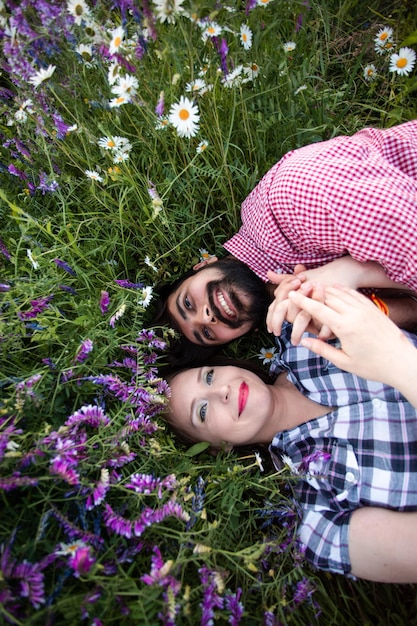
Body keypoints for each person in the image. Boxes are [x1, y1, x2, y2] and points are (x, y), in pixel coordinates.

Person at [166, 321, 417, 583]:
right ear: (218, 449)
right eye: (203, 411)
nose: (222, 391)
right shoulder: (318, 523)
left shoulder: (301, 331)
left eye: (209, 376)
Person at [156, 120, 417, 346]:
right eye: (206, 333)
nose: (207, 317)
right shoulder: (306, 313)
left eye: (188, 303)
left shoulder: (289, 203)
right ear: (249, 333)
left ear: (203, 264)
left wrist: (353, 272)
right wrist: (361, 304)